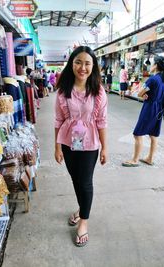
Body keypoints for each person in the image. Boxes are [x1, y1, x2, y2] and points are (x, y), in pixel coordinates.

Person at [54, 46, 108, 247]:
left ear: (93, 66)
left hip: (90, 144)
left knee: (85, 182)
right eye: (78, 62)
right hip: (69, 143)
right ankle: (81, 209)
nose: (82, 67)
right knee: (75, 179)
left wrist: (105, 148)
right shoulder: (63, 91)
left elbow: (102, 121)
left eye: (87, 63)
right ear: (71, 64)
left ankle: (83, 221)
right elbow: (58, 120)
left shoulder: (98, 92)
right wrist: (58, 147)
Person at [122, 56, 164, 167]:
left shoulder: (153, 79)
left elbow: (139, 93)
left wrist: (143, 95)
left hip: (150, 108)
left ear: (156, 65)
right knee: (153, 135)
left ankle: (135, 160)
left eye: (152, 64)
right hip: (159, 109)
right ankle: (150, 159)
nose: (150, 66)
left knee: (137, 134)